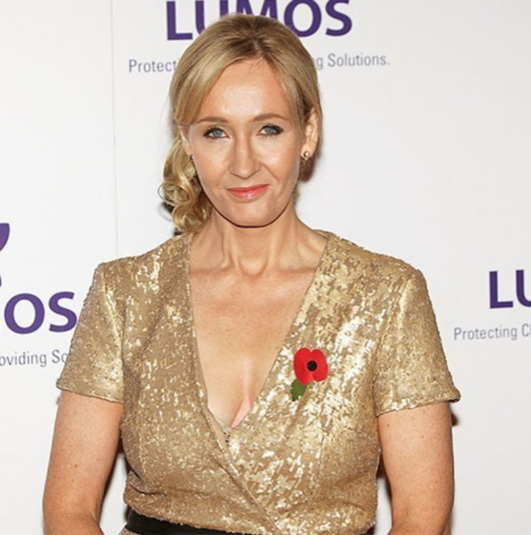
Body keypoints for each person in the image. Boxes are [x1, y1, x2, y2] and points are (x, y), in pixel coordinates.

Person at [43, 14, 460, 535]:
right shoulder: (125, 294)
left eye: (268, 129)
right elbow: (69, 510)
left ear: (308, 132)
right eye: (216, 132)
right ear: (186, 139)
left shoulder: (385, 295)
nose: (243, 163)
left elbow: (423, 517)